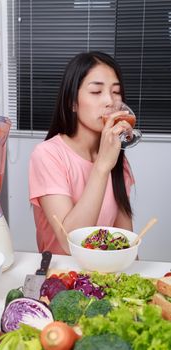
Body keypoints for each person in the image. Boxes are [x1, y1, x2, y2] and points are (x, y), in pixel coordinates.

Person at [29, 51, 135, 255]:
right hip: (62, 279)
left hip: (105, 277)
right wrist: (102, 167)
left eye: (116, 92)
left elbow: (125, 240)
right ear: (73, 102)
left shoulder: (117, 158)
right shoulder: (47, 155)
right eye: (96, 92)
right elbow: (71, 241)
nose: (109, 102)